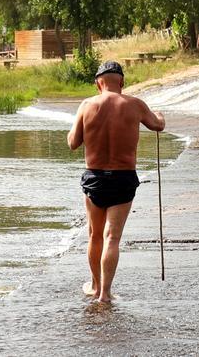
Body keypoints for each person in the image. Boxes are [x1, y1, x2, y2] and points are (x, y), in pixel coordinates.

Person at [67, 61, 166, 304]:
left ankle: (94, 284)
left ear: (98, 83)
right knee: (112, 238)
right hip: (123, 177)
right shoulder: (135, 104)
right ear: (121, 82)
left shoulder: (87, 105)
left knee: (95, 235)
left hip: (95, 177)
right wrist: (161, 115)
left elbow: (72, 143)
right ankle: (105, 294)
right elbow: (158, 125)